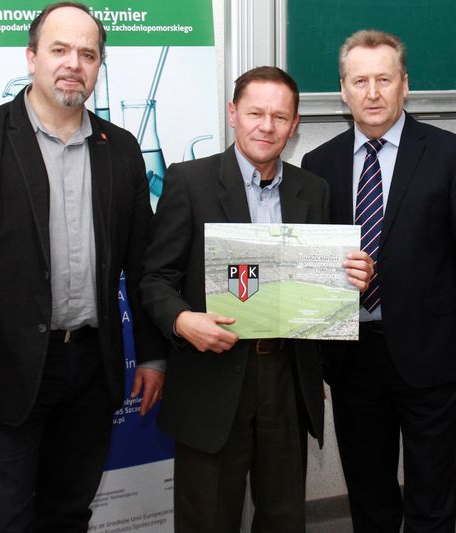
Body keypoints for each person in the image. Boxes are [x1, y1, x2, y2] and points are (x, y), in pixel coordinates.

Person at [0, 3, 163, 531]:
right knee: (2, 519)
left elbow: (143, 262)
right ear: (31, 58)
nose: (74, 63)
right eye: (60, 50)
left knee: (68, 513)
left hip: (92, 368)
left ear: (99, 67)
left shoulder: (121, 150)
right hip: (3, 372)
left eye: (87, 54)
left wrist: (152, 355)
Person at [139, 66, 372, 533]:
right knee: (208, 518)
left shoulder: (313, 190)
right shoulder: (190, 181)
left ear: (294, 124)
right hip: (210, 377)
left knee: (284, 515)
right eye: (255, 113)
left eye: (280, 117)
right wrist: (183, 321)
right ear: (233, 114)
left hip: (287, 377)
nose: (267, 126)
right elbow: (155, 279)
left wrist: (352, 278)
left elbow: (318, 283)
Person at [301, 30, 456, 532]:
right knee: (368, 488)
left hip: (430, 351)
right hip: (351, 356)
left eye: (384, 79)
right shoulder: (318, 164)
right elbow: (310, 269)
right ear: (343, 90)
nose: (372, 93)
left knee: (430, 490)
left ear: (405, 84)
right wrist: (309, 360)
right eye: (360, 81)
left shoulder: (452, 155)